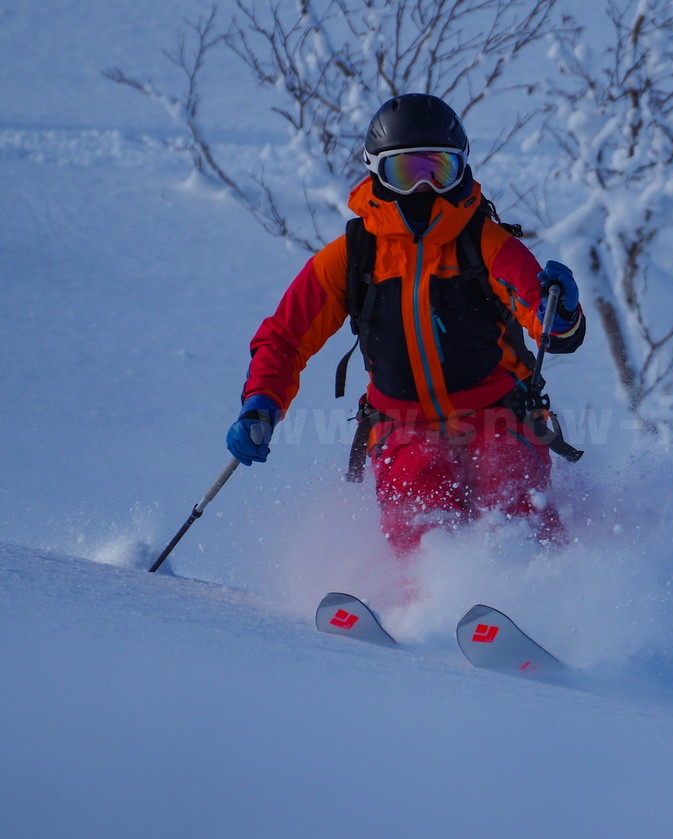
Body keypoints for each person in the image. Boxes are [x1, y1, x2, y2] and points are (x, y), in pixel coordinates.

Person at [226, 94, 586, 557]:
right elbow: (286, 336)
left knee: (508, 481)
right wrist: (261, 403)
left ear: (461, 169)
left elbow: (550, 328)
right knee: (419, 493)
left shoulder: (486, 244)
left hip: (498, 412)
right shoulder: (354, 256)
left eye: (437, 170)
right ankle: (424, 609)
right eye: (405, 171)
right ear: (376, 171)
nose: (423, 188)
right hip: (402, 423)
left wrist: (560, 314)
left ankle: (540, 591)